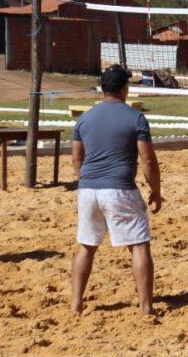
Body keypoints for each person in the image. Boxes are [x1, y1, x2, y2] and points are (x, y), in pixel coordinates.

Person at [70, 65, 163, 316]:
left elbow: (77, 159)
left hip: (87, 189)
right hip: (119, 189)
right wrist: (156, 191)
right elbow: (148, 161)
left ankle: (76, 304)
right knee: (140, 245)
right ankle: (146, 307)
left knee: (86, 245)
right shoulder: (135, 117)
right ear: (125, 88)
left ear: (102, 88)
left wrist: (86, 182)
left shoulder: (84, 118)